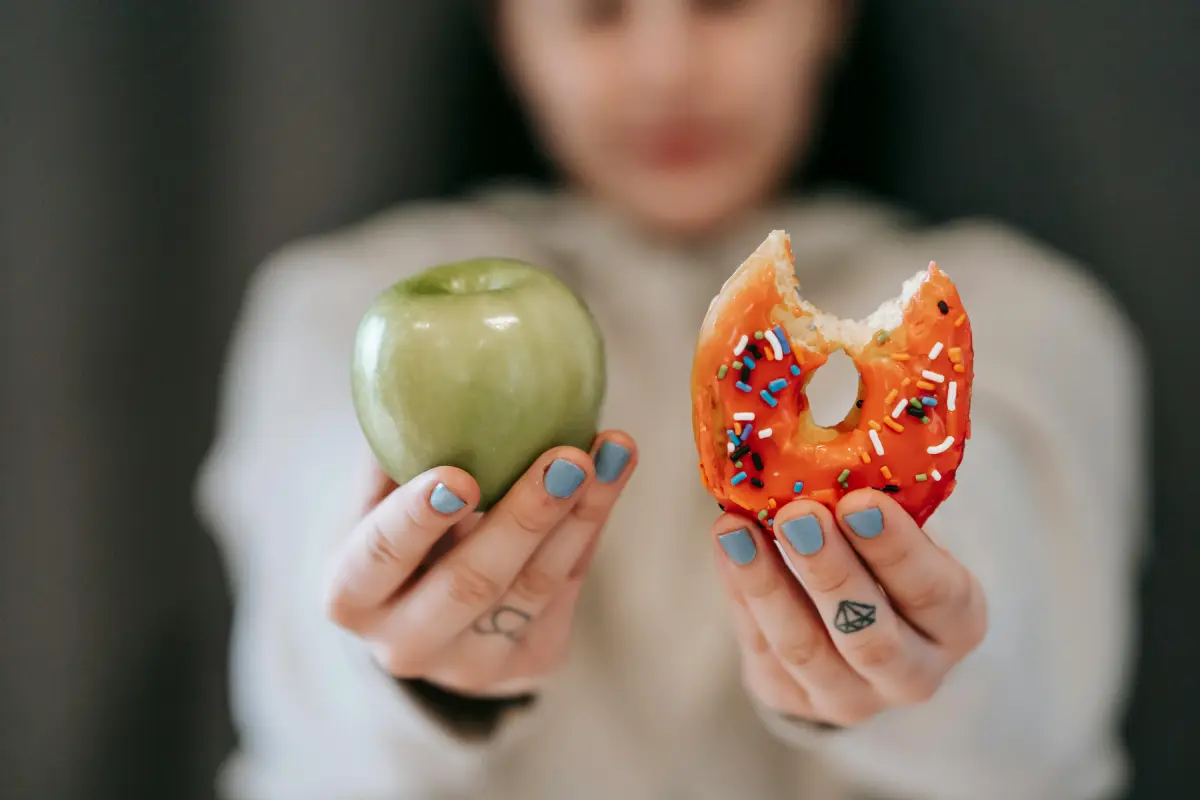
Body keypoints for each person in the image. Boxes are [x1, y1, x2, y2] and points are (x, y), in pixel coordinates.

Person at [196, 1, 1146, 798]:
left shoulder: (1027, 314)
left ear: (831, 15)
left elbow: (1032, 667)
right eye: (596, 10)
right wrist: (410, 669)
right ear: (508, 33)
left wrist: (921, 666)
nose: (665, 69)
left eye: (725, 0)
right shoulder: (331, 305)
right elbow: (301, 666)